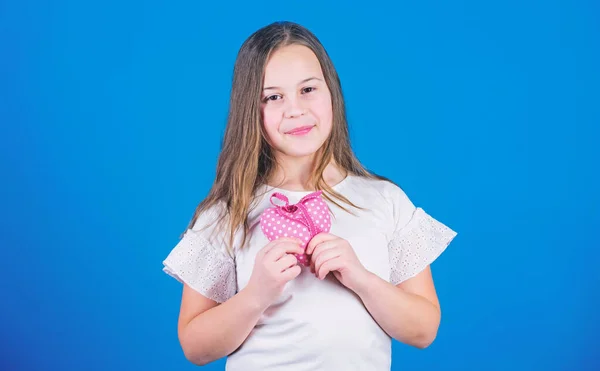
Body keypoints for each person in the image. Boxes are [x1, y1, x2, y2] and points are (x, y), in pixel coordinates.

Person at [162, 21, 457, 371]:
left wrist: (361, 279)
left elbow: (424, 330)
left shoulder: (385, 200)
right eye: (273, 97)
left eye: (308, 89)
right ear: (250, 111)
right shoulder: (228, 214)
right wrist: (256, 295)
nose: (295, 110)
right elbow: (196, 348)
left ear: (331, 91)